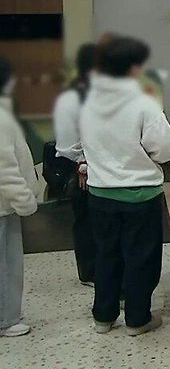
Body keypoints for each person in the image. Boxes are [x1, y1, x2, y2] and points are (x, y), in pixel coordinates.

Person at [80, 35, 170, 336]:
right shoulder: (142, 103)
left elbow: (77, 144)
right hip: (139, 194)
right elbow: (164, 147)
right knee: (140, 258)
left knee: (106, 254)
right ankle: (137, 319)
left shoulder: (88, 103)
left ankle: (103, 317)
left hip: (100, 193)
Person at [0, 57, 42, 338]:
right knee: (6, 265)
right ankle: (6, 319)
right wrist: (25, 201)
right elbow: (5, 168)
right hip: (4, 206)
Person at [52, 43, 97, 286]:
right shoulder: (73, 98)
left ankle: (97, 270)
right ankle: (89, 272)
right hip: (80, 168)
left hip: (95, 166)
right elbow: (68, 144)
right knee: (87, 221)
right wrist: (82, 164)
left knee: (95, 221)